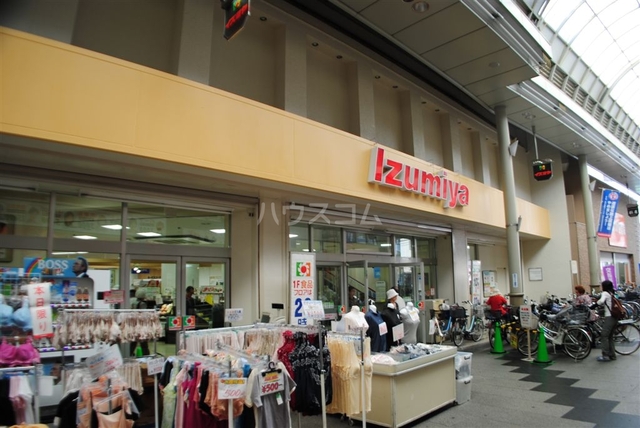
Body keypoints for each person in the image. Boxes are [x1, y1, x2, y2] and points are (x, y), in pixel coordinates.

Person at [596, 280, 616, 362]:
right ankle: (612, 355)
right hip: (614, 317)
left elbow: (601, 301)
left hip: (609, 317)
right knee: (610, 336)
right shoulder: (611, 293)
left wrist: (594, 304)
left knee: (604, 335)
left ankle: (605, 355)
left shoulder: (605, 293)